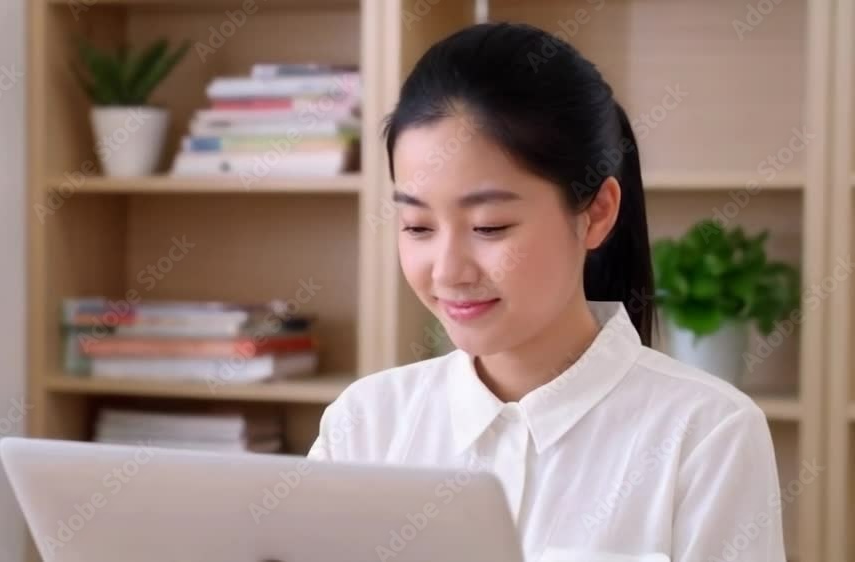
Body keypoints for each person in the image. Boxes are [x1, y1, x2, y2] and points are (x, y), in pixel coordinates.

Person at [307, 21, 786, 562]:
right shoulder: (364, 424)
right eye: (417, 227)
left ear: (596, 212)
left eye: (489, 226)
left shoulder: (707, 434)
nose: (448, 271)